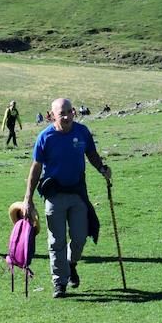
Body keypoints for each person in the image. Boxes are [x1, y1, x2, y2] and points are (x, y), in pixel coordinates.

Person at [21, 98, 112, 298]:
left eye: (69, 112)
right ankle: (59, 283)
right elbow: (35, 169)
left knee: (79, 237)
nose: (66, 116)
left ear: (74, 112)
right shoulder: (45, 137)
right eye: (61, 113)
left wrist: (102, 168)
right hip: (54, 195)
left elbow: (92, 153)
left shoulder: (82, 132)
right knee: (56, 241)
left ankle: (71, 264)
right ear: (52, 115)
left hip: (78, 193)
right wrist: (28, 198)